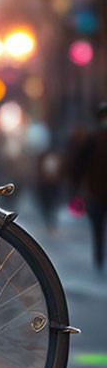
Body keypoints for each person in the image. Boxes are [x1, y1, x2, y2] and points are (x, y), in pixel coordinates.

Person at [68, 104, 107, 270]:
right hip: (96, 192)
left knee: (97, 227)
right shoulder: (91, 141)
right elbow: (79, 166)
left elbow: (78, 166)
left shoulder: (91, 140)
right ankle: (99, 257)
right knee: (97, 227)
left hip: (95, 192)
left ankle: (99, 257)